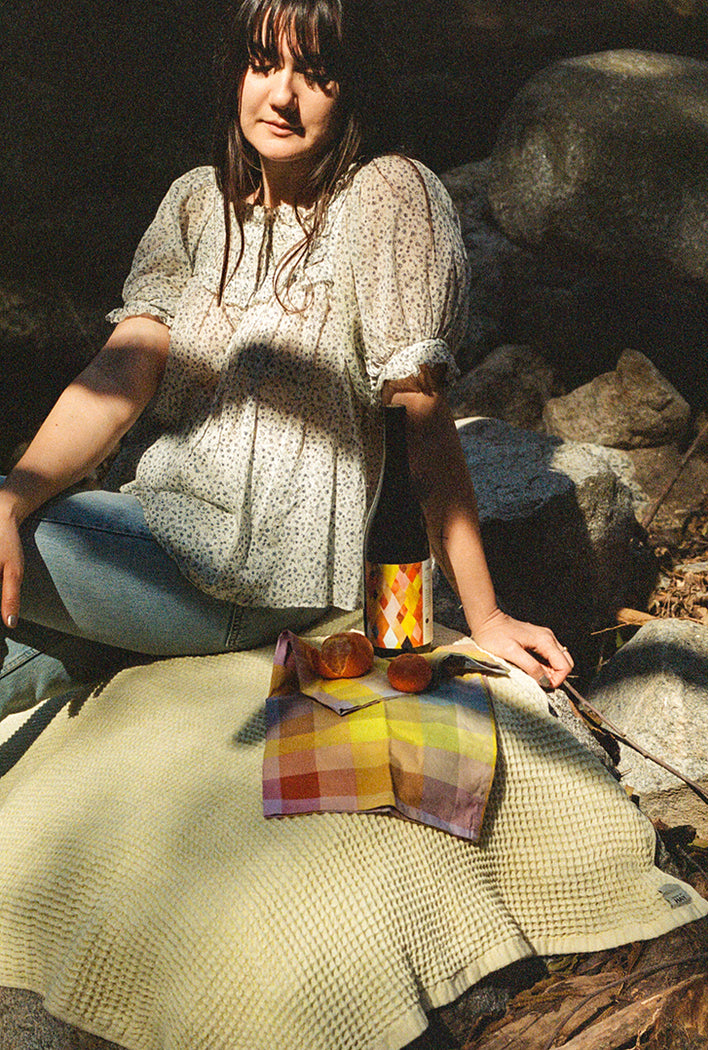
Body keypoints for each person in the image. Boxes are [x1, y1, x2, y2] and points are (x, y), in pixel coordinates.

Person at [0, 0, 572, 719]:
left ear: (354, 88)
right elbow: (120, 372)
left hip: (251, 575)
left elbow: (419, 417)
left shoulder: (388, 195)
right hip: (150, 538)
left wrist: (484, 618)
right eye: (262, 64)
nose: (280, 95)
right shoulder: (195, 205)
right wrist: (15, 494)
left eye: (316, 74)